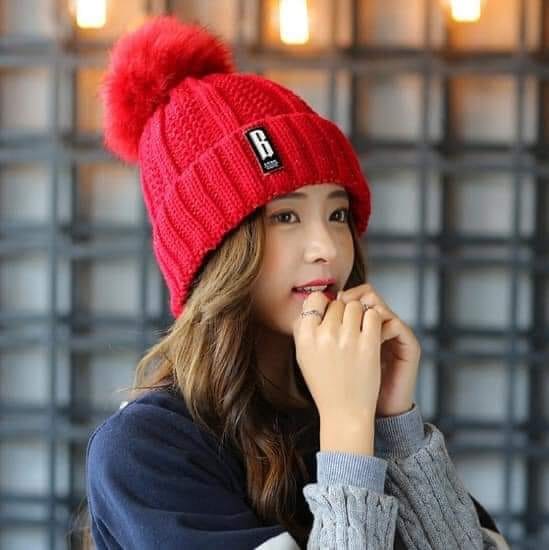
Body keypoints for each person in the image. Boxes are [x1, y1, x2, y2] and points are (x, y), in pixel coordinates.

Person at [84, 15, 510, 550]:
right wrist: (348, 434)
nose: (326, 247)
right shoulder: (147, 450)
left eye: (337, 214)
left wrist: (395, 424)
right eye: (285, 216)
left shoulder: (344, 402)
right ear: (214, 251)